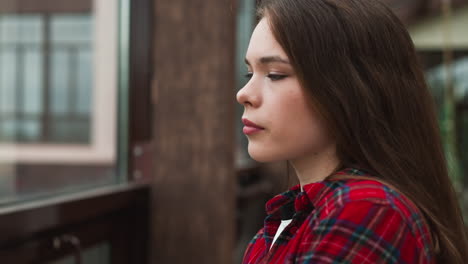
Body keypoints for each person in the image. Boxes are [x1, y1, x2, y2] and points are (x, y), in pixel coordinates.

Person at [236, 0, 468, 263]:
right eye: (249, 74)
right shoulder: (289, 219)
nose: (244, 94)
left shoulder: (366, 208)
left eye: (275, 74)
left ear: (350, 89)